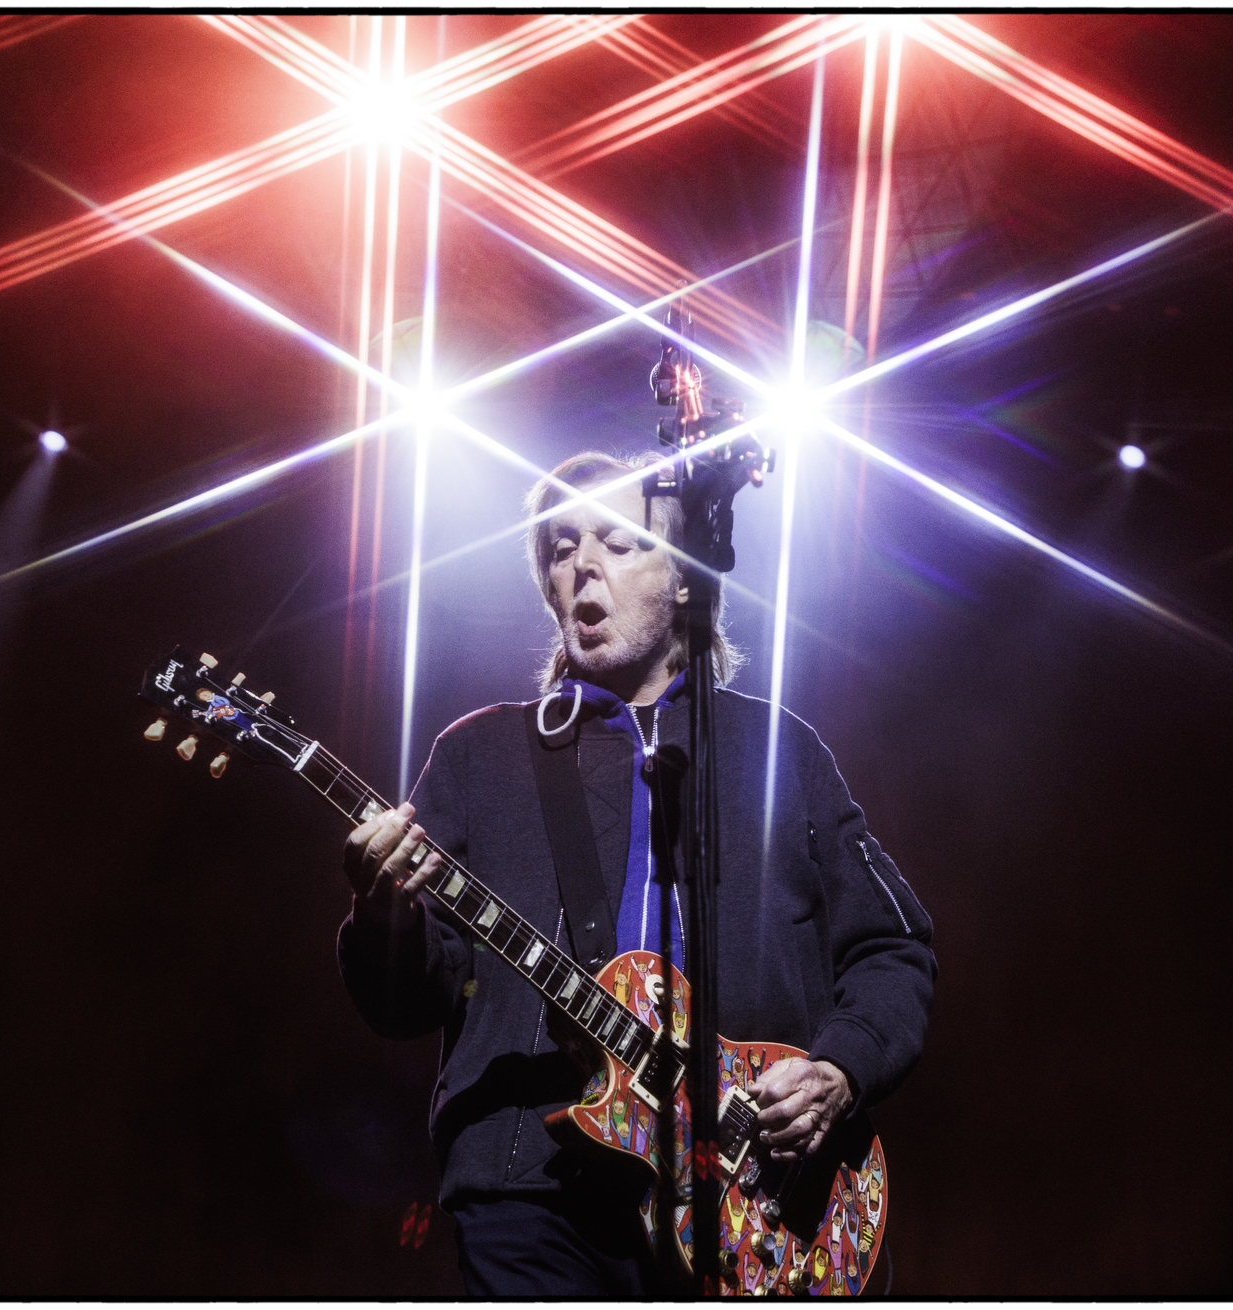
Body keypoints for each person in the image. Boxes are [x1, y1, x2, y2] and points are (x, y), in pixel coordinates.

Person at [337, 450, 936, 1296]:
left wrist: (838, 1071)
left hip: (754, 1193)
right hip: (531, 1189)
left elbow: (893, 948)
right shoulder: (478, 757)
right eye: (560, 546)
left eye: (618, 543)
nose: (582, 563)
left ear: (685, 581)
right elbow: (403, 1002)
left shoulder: (779, 755)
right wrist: (385, 909)